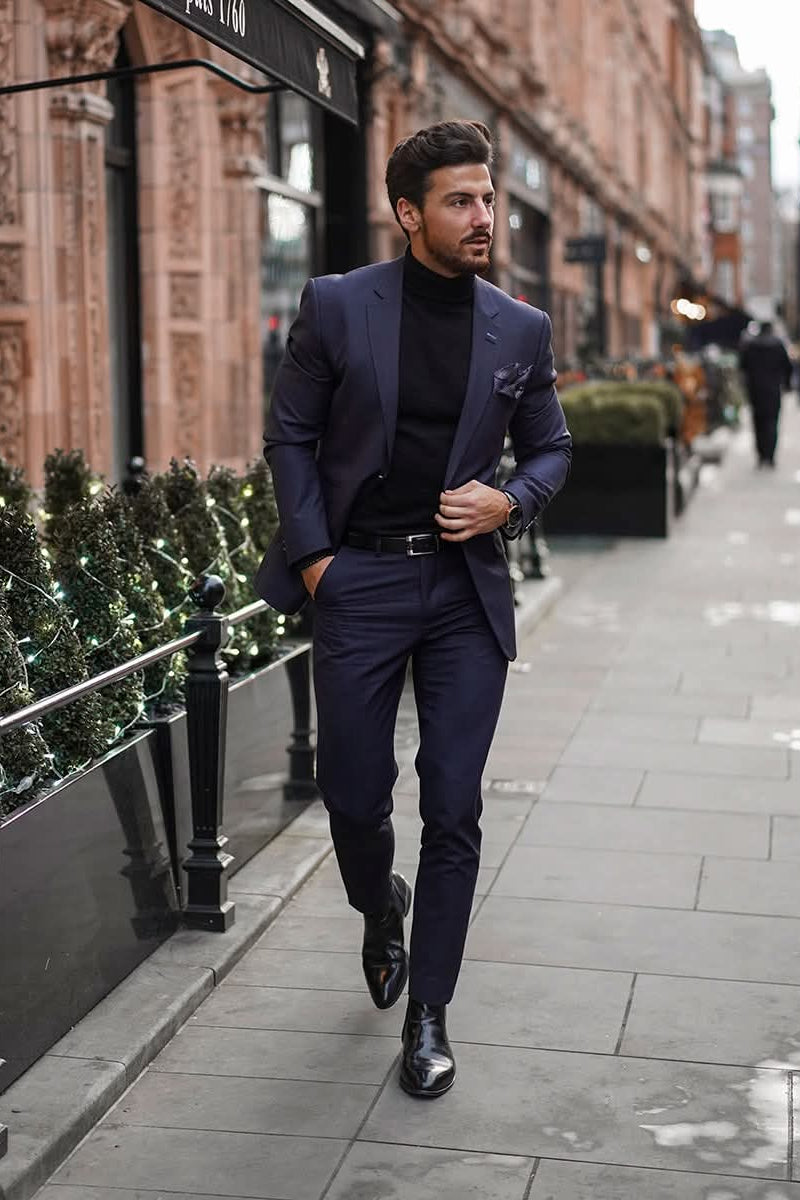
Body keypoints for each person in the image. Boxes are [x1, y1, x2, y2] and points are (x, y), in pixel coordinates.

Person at [254, 120, 571, 1098]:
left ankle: (429, 1011)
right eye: (460, 201)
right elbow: (290, 436)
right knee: (352, 794)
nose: (483, 217)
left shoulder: (518, 327)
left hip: (463, 592)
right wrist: (316, 560)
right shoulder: (338, 305)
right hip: (359, 580)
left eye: (488, 199)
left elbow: (551, 447)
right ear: (407, 212)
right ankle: (377, 905)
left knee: (453, 801)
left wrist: (508, 502)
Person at [738, 321, 792, 467]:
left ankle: (761, 455)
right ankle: (770, 455)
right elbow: (787, 367)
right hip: (773, 390)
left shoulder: (751, 346)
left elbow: (743, 366)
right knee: (772, 422)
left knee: (758, 423)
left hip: (755, 390)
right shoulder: (778, 345)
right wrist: (787, 385)